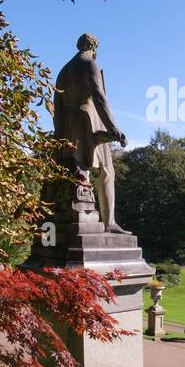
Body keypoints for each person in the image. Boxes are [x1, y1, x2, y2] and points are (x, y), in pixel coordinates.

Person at [51, 33, 128, 232]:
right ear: (94, 48)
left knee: (76, 168)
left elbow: (56, 106)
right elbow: (99, 96)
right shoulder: (89, 64)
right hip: (87, 118)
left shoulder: (64, 70)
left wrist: (58, 132)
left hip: (66, 121)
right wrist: (113, 126)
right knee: (107, 170)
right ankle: (109, 222)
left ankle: (73, 218)